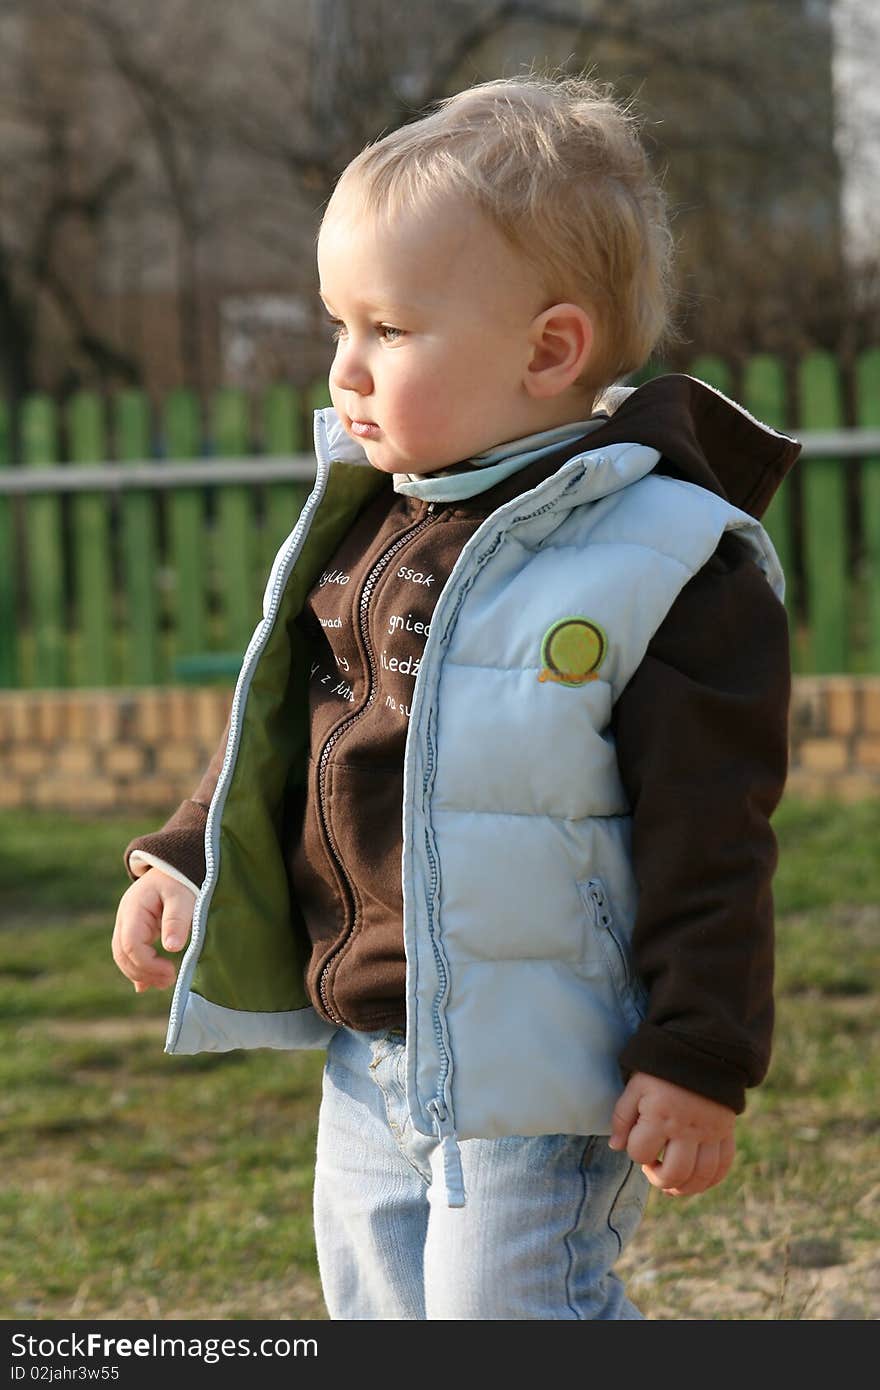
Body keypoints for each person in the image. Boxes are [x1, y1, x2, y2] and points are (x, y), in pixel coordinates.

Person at [111, 72, 797, 1320]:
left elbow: (714, 831)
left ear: (549, 350)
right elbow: (289, 730)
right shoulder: (371, 524)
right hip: (372, 1038)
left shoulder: (662, 560)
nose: (344, 371)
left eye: (388, 329)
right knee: (376, 1307)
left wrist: (697, 1050)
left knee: (512, 1316)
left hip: (547, 1057)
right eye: (338, 327)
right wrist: (187, 858)